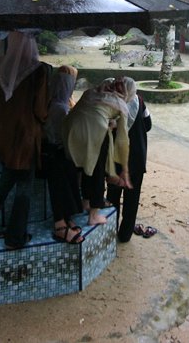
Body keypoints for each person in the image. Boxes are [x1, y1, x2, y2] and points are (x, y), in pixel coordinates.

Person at [0, 31, 49, 249]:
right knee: (24, 185)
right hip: (26, 136)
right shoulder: (38, 70)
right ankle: (15, 237)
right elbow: (41, 110)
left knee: (8, 176)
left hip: (3, 134)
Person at [62, 78, 133, 226]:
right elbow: (122, 141)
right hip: (93, 131)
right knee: (97, 171)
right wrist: (124, 170)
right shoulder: (121, 104)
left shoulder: (95, 91)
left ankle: (84, 202)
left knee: (81, 168)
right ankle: (93, 215)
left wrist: (110, 122)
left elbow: (94, 110)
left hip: (71, 129)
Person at [106, 77, 152, 243]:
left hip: (116, 159)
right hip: (137, 159)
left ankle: (110, 232)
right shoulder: (140, 101)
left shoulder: (112, 105)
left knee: (112, 197)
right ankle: (125, 235)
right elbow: (148, 125)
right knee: (132, 199)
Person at [42, 65, 84, 244]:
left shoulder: (55, 103)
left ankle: (67, 216)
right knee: (61, 171)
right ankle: (60, 222)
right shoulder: (59, 108)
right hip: (51, 154)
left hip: (54, 151)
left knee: (69, 168)